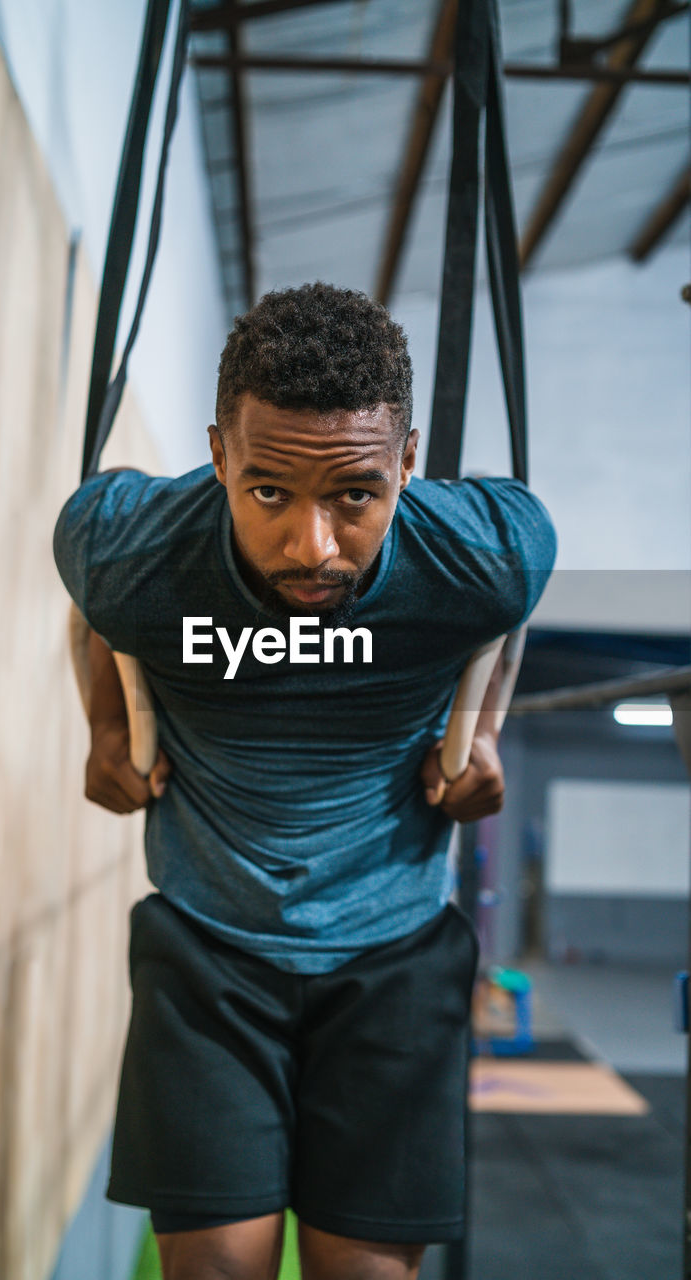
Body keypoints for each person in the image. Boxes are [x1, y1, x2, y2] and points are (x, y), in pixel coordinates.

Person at [52, 283, 556, 1280]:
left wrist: (477, 733)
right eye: (268, 490)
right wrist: (106, 726)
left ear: (406, 463)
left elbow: (504, 615)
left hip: (394, 950)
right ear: (218, 456)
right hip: (206, 951)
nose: (310, 546)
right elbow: (94, 605)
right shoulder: (130, 550)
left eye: (354, 495)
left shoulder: (481, 554)